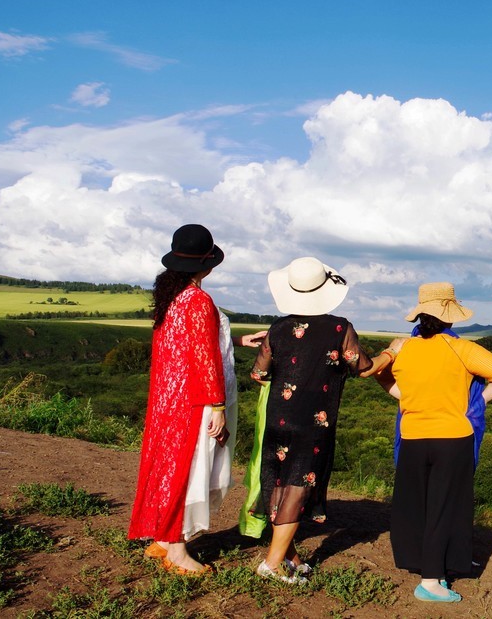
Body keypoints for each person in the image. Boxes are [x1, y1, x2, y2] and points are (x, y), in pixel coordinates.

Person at [367, 282, 492, 603]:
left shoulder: (404, 349)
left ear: (420, 314)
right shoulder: (463, 350)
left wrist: (406, 398)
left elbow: (381, 376)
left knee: (415, 505)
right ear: (451, 317)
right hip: (453, 437)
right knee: (446, 507)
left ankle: (429, 563)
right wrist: (477, 404)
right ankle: (431, 582)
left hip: (412, 437)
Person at [129, 223, 261, 575]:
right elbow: (203, 356)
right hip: (197, 401)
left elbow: (186, 351)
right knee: (192, 470)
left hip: (170, 398)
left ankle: (163, 539)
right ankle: (176, 549)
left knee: (172, 467)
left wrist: (237, 342)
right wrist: (216, 406)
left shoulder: (171, 299)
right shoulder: (199, 300)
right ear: (208, 264)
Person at [246, 257, 372, 584]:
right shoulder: (339, 328)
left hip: (279, 417)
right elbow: (361, 366)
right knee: (299, 485)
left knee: (278, 481)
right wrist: (393, 354)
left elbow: (259, 374)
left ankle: (291, 557)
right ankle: (273, 563)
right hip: (313, 421)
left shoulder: (277, 328)